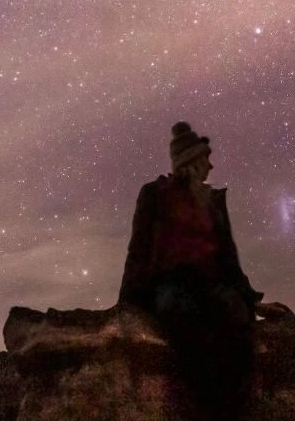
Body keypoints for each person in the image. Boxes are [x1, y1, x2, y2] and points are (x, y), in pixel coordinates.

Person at [119, 122, 283, 418]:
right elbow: (139, 249)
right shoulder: (155, 194)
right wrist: (125, 304)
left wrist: (253, 301)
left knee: (236, 317)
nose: (211, 164)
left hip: (211, 285)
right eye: (206, 158)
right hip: (170, 283)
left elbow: (228, 259)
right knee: (181, 314)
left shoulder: (213, 203)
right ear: (192, 161)